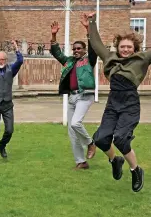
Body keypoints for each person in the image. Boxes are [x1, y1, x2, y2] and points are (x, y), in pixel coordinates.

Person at [87, 12, 151, 192]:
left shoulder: (142, 59)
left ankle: (135, 170)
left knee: (121, 139)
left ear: (135, 47)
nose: (125, 49)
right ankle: (115, 160)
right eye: (122, 46)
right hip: (113, 102)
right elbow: (96, 44)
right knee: (100, 139)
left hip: (130, 103)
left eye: (129, 47)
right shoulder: (110, 58)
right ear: (118, 47)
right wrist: (92, 22)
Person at [49, 15, 97, 170]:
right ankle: (81, 162)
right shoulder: (69, 61)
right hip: (72, 97)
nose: (76, 51)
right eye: (74, 49)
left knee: (76, 123)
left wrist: (88, 30)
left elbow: (93, 47)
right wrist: (54, 35)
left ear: (83, 50)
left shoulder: (89, 60)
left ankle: (90, 143)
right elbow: (57, 53)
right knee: (72, 131)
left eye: (79, 49)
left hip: (85, 95)